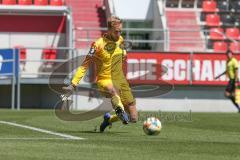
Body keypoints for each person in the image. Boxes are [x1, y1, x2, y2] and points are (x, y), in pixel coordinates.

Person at [62, 16, 138, 132]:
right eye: (116, 31)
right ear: (109, 30)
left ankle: (109, 119)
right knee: (113, 90)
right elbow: (84, 65)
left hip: (120, 80)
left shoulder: (121, 40)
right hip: (105, 80)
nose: (119, 34)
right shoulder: (97, 45)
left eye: (120, 31)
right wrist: (73, 84)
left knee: (133, 117)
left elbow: (123, 55)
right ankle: (120, 109)